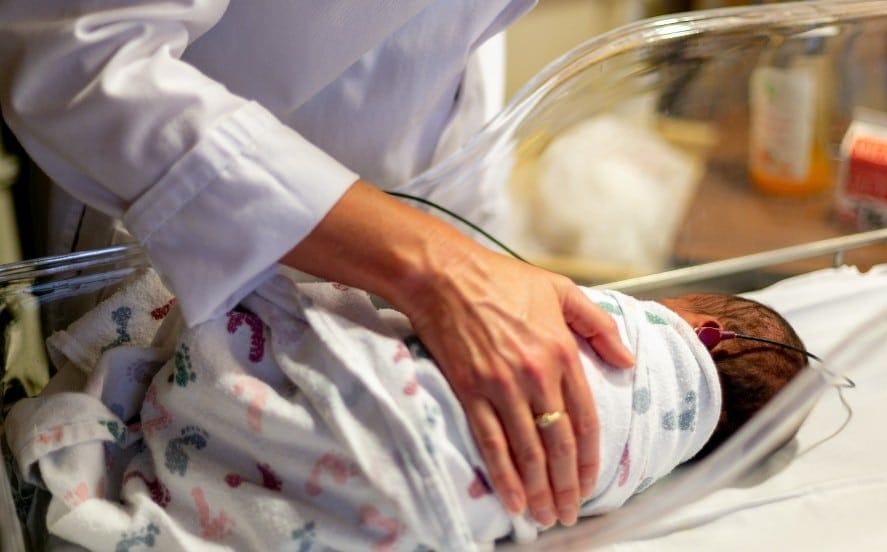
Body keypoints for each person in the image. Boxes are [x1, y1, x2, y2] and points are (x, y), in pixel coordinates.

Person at [0, 0, 635, 531]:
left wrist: (471, 254)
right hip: (186, 233)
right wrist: (436, 267)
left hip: (431, 222)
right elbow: (79, 54)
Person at [5, 271, 808, 549]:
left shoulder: (639, 333)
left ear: (708, 331)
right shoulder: (647, 466)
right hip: (427, 510)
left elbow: (518, 317)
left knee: (272, 315)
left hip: (387, 400)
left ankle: (156, 417)